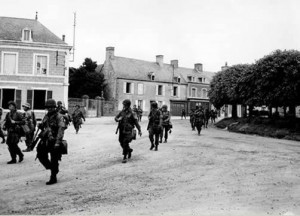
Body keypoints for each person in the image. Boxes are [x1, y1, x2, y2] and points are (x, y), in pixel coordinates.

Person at [36, 99, 67, 185]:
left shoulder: (59, 116)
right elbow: (44, 127)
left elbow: (61, 130)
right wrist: (41, 126)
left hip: (54, 140)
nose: (49, 109)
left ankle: (53, 177)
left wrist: (57, 142)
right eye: (48, 107)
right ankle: (53, 168)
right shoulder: (46, 116)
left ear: (54, 107)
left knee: (54, 159)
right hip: (46, 139)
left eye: (51, 107)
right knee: (40, 154)